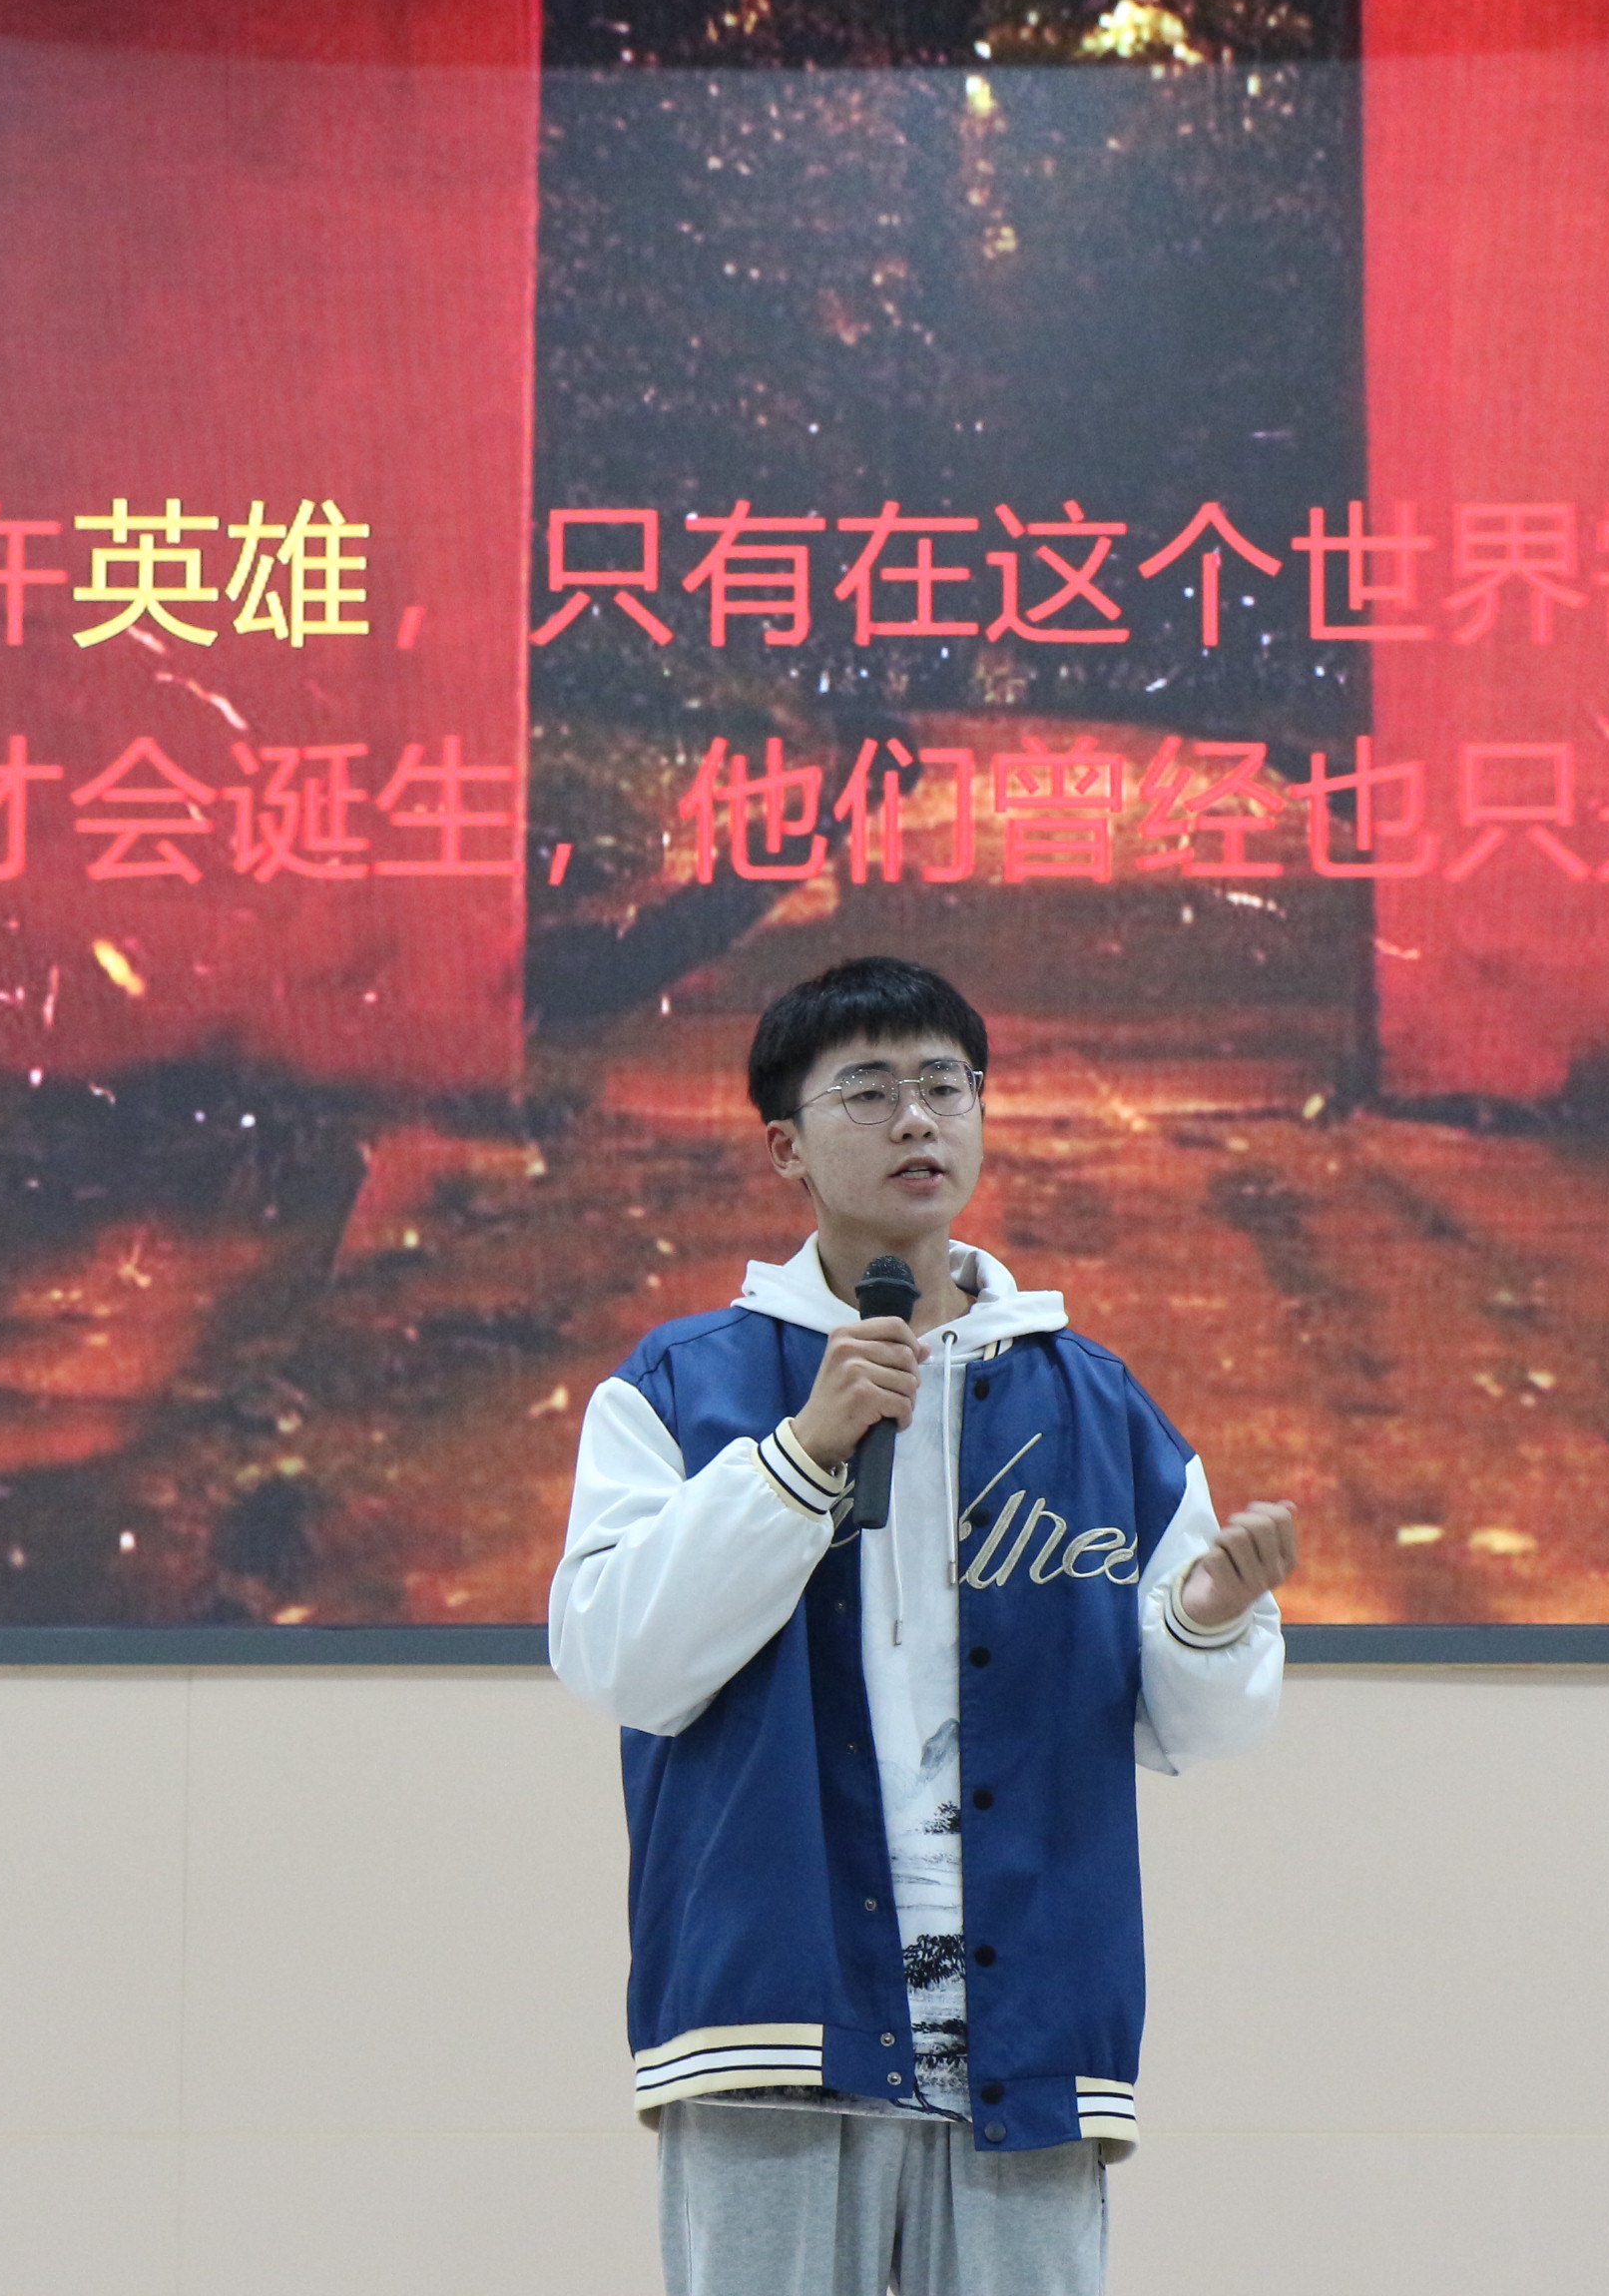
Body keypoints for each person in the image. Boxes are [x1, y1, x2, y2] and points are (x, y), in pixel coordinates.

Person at [550, 954, 1300, 2296]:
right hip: (773, 2021)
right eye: (869, 1091)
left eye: (946, 1087)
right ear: (785, 1145)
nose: (916, 1119)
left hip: (1029, 2031)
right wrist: (800, 1458)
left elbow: (1201, 1731)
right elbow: (620, 1662)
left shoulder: (1097, 1406)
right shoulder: (680, 1386)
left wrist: (1203, 1623)